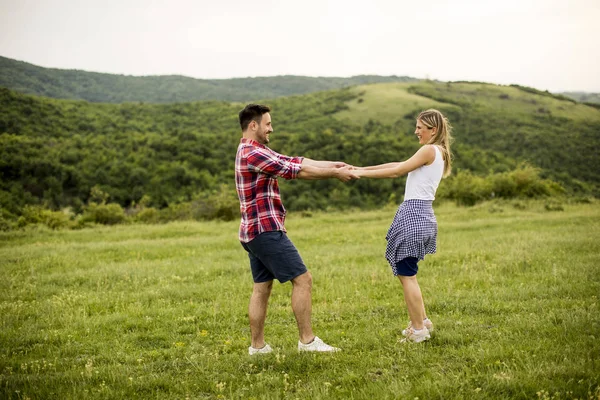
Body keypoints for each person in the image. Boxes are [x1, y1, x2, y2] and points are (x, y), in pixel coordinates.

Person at [235, 103, 358, 355]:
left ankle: (257, 347)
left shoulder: (255, 150)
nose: (271, 128)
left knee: (261, 288)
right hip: (265, 230)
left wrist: (333, 164)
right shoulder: (252, 153)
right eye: (267, 124)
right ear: (253, 125)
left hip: (252, 232)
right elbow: (295, 171)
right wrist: (334, 175)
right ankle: (307, 342)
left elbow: (294, 160)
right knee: (303, 280)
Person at [353, 109, 453, 343]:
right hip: (423, 215)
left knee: (406, 274)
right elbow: (399, 164)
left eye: (420, 127)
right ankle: (423, 321)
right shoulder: (438, 152)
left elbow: (397, 171)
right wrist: (361, 169)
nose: (416, 131)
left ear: (433, 130)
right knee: (409, 273)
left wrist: (361, 175)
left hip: (414, 216)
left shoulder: (429, 149)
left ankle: (418, 331)